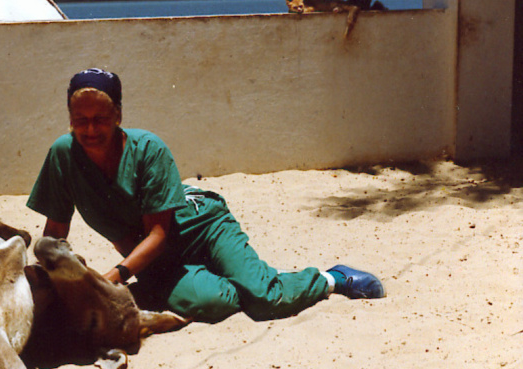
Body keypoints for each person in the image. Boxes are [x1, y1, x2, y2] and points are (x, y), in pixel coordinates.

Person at [27, 68, 385, 323]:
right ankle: (242, 279)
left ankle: (330, 278)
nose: (90, 129)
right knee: (211, 304)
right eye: (80, 119)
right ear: (70, 119)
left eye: (100, 118)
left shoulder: (148, 149)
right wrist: (53, 279)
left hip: (199, 227)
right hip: (151, 259)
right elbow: (55, 231)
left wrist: (108, 281)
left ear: (117, 115)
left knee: (265, 301)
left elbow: (158, 234)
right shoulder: (63, 154)